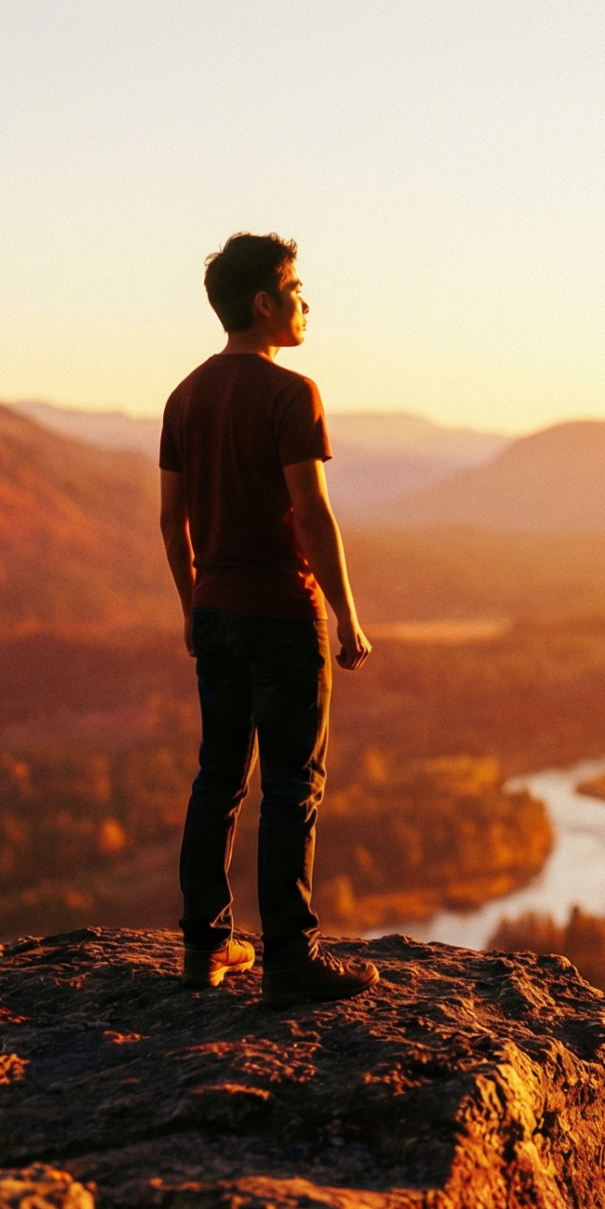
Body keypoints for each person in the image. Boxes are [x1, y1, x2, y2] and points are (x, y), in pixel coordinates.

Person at [160, 232, 378, 1004]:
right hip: (282, 614)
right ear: (263, 302)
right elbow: (311, 512)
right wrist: (346, 611)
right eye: (295, 288)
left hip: (216, 610)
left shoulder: (184, 396)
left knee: (217, 778)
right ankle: (289, 960)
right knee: (293, 784)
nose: (304, 302)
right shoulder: (292, 394)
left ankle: (203, 949)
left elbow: (170, 518)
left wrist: (192, 606)